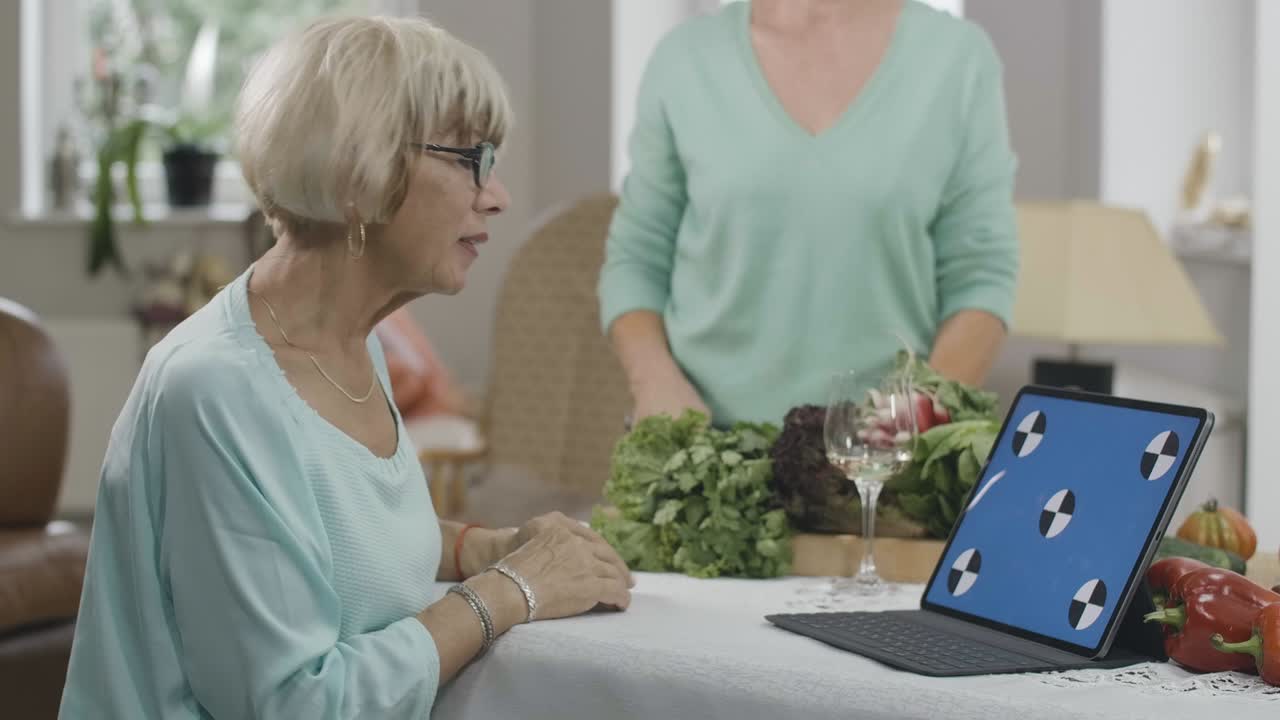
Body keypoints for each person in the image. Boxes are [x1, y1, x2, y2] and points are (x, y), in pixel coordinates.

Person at [59, 16, 632, 719]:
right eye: (468, 159)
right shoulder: (216, 388)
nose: (497, 195)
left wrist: (485, 546)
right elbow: (295, 704)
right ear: (359, 174)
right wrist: (510, 590)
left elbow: (341, 550)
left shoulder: (350, 347)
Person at [599, 0, 1019, 427]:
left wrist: (913, 421)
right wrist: (653, 381)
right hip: (706, 445)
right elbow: (637, 258)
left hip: (881, 462)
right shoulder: (685, 58)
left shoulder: (956, 58)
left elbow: (980, 274)